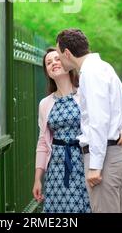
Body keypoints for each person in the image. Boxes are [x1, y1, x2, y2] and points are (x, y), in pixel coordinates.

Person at [56, 28, 122, 213]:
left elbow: (98, 120)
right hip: (113, 153)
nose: (58, 59)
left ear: (67, 53)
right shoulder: (104, 67)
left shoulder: (90, 73)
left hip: (104, 159)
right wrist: (121, 129)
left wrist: (95, 166)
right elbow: (117, 110)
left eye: (58, 54)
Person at [32, 47, 91, 213]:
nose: (53, 64)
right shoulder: (45, 104)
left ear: (67, 63)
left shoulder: (84, 95)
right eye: (49, 63)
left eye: (57, 59)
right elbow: (43, 142)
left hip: (82, 162)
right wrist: (38, 179)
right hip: (56, 168)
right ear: (48, 72)